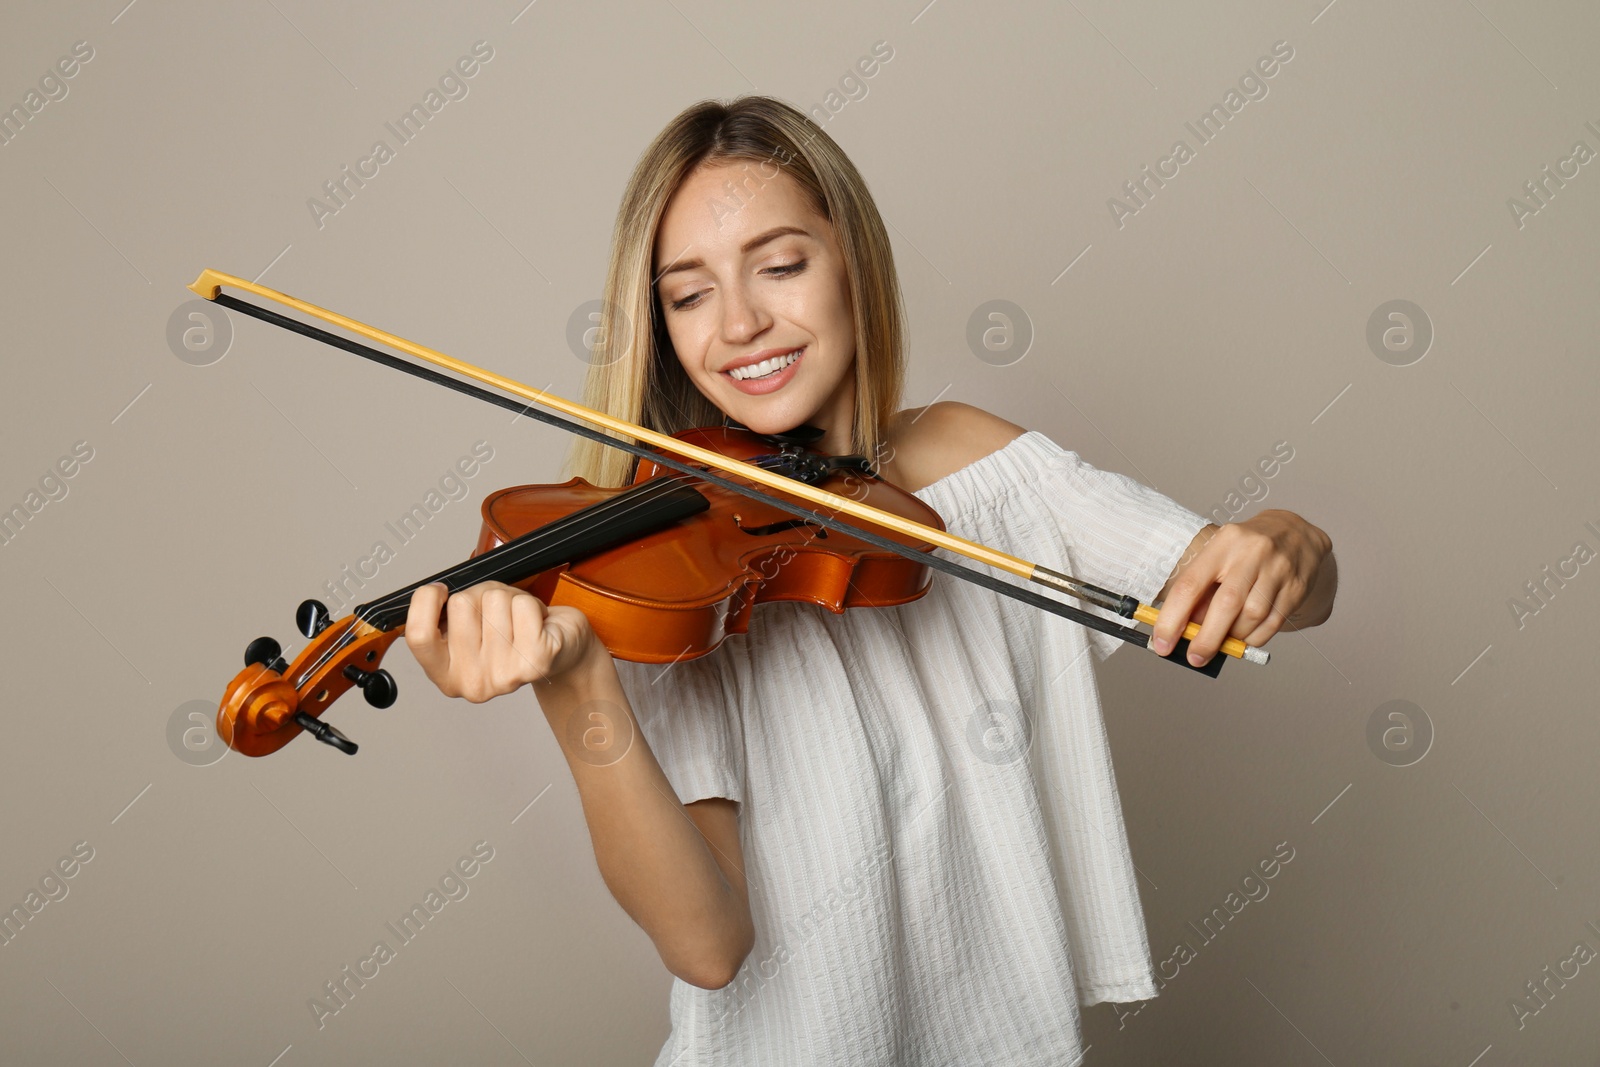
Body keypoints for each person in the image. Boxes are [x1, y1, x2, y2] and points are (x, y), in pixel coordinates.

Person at [403, 96, 1336, 1066]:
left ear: (851, 259)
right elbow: (707, 945)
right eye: (687, 295)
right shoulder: (670, 574)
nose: (739, 323)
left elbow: (1259, 596)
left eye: (779, 264)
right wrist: (576, 684)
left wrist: (1285, 537)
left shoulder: (983, 466)